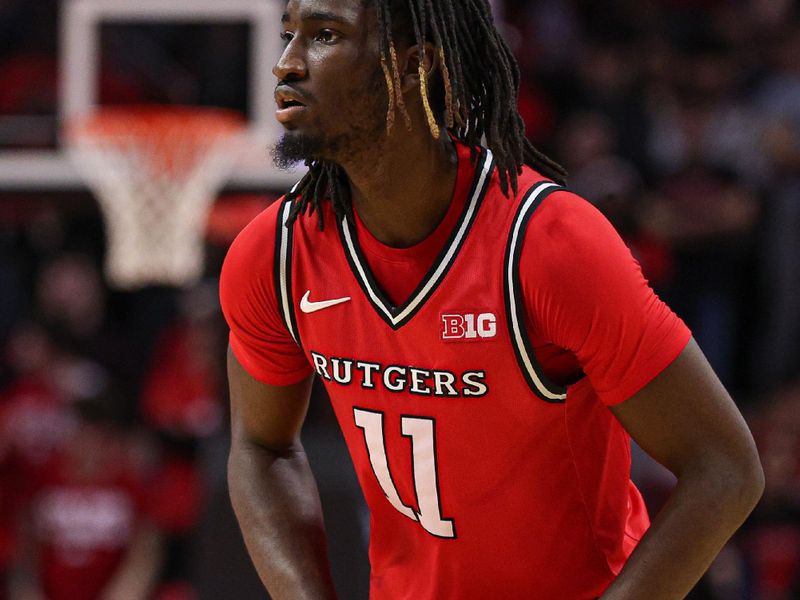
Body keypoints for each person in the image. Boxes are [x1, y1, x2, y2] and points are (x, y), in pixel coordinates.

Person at [219, 0, 764, 598]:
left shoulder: (548, 245)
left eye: (324, 35)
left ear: (413, 65)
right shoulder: (273, 255)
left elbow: (726, 469)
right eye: (289, 35)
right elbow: (259, 446)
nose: (286, 65)